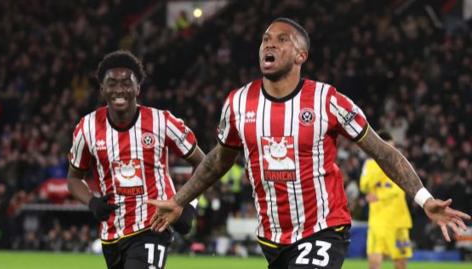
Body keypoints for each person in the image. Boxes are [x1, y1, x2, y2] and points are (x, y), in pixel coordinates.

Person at [148, 18, 470, 269]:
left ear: (301, 55)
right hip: (273, 238)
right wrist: (180, 199)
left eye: (281, 39)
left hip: (323, 229)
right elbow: (219, 160)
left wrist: (425, 199)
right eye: (265, 39)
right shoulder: (237, 103)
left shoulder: (328, 101)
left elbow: (382, 151)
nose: (268, 45)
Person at [67, 50, 205, 269]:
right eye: (112, 83)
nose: (119, 89)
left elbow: (204, 164)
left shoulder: (162, 122)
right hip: (112, 234)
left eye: (126, 83)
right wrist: (92, 202)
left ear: (138, 88)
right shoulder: (87, 128)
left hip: (152, 227)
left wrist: (188, 206)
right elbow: (74, 179)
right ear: (103, 89)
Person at [360, 131, 411, 269]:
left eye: (392, 147)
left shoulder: (400, 162)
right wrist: (380, 165)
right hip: (377, 221)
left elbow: (400, 189)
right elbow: (364, 185)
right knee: (374, 262)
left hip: (398, 220)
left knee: (400, 263)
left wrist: (379, 195)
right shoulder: (369, 164)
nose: (390, 150)